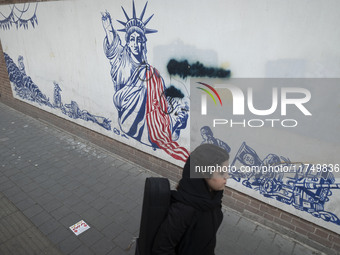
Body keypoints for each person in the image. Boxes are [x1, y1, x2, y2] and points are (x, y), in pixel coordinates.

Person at [101, 2, 189, 162]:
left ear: (143, 43)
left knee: (154, 77)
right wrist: (108, 28)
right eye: (132, 39)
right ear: (127, 42)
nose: (136, 44)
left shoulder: (149, 69)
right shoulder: (120, 59)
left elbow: (159, 94)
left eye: (139, 40)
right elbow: (113, 46)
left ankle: (169, 122)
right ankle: (168, 124)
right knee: (146, 77)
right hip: (128, 111)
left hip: (149, 111)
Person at [152, 144, 230, 255]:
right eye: (222, 172)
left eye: (227, 171)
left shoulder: (214, 197)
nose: (227, 176)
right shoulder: (183, 209)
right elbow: (161, 249)